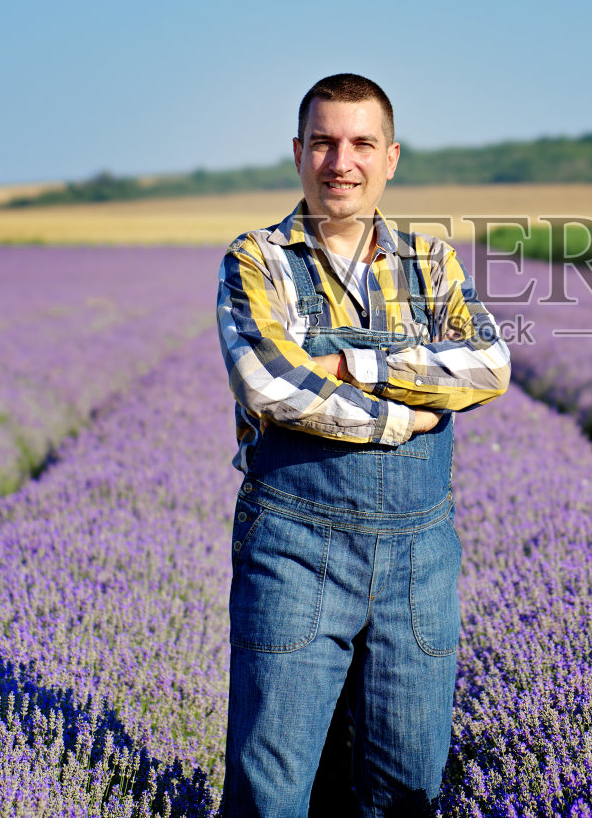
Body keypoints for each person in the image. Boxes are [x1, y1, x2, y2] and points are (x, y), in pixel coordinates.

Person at [214, 72, 512, 816]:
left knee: (405, 788)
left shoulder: (430, 262)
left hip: (419, 557)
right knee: (271, 789)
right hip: (294, 546)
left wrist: (357, 364)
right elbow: (271, 383)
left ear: (390, 157)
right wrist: (400, 414)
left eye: (359, 143)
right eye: (323, 142)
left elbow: (490, 363)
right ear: (297, 152)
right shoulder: (258, 260)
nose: (339, 161)